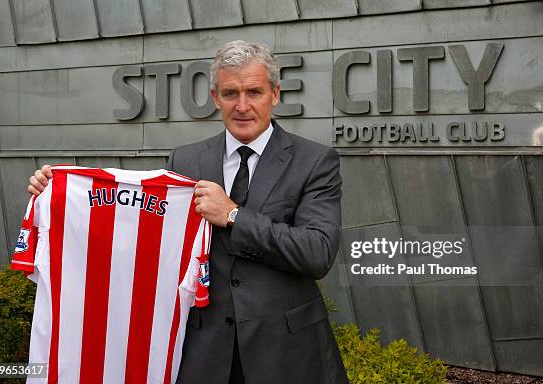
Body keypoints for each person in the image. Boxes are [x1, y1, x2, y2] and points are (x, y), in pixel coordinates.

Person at [28, 40, 348, 384]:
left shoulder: (314, 161)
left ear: (275, 94)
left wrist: (234, 214)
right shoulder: (185, 161)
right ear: (214, 98)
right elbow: (139, 229)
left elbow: (317, 253)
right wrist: (59, 195)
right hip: (203, 351)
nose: (242, 106)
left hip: (287, 352)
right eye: (230, 93)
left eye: (254, 92)